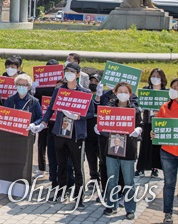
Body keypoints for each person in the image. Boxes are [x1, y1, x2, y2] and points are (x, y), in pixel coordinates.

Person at [32, 61, 95, 208]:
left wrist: (78, 117)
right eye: (67, 71)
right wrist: (43, 123)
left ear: (78, 74)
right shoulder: (59, 90)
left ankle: (79, 197)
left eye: (72, 72)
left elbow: (91, 112)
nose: (69, 74)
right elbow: (50, 109)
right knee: (61, 165)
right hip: (60, 133)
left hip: (76, 135)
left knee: (77, 167)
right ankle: (61, 192)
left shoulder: (84, 93)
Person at [95, 82, 142, 220]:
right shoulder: (108, 109)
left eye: (125, 91)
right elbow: (102, 124)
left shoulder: (135, 110)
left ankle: (130, 208)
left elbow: (140, 126)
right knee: (112, 179)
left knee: (129, 181)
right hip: (111, 149)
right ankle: (111, 205)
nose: (122, 94)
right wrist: (99, 129)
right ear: (115, 93)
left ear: (130, 94)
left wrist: (138, 130)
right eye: (120, 91)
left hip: (128, 150)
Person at [136, 68, 167, 177]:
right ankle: (140, 168)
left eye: (158, 77)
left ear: (162, 79)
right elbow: (140, 103)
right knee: (144, 145)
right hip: (147, 121)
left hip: (160, 122)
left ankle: (155, 168)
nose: (155, 79)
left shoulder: (165, 92)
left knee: (156, 145)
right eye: (153, 76)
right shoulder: (146, 90)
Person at [156, 78, 178, 224]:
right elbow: (157, 127)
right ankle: (168, 214)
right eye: (174, 87)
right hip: (168, 152)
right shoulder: (165, 107)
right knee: (169, 183)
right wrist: (154, 133)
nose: (175, 90)